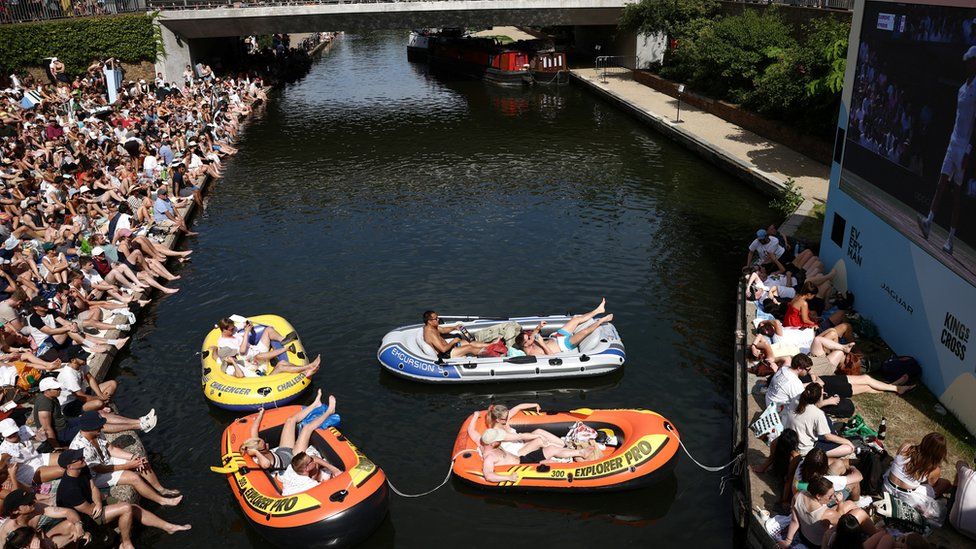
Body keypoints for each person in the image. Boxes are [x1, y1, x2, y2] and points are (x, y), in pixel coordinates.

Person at [56, 449, 191, 549]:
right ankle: (126, 543)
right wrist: (97, 504)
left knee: (133, 507)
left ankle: (169, 527)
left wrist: (98, 501)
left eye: (81, 456)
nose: (82, 458)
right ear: (70, 466)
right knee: (126, 508)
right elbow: (91, 512)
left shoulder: (82, 468)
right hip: (85, 518)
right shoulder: (70, 489)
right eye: (78, 458)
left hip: (93, 503)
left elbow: (93, 488)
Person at [917, 46, 976, 255]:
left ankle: (950, 240)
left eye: (970, 60)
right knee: (941, 184)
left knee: (957, 194)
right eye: (967, 61)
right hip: (952, 143)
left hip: (963, 148)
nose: (967, 64)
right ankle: (928, 222)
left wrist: (968, 151)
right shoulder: (961, 88)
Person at [68, 411, 181, 506]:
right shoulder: (81, 447)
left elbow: (111, 449)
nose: (102, 427)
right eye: (99, 425)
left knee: (140, 460)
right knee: (133, 478)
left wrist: (133, 457)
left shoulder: (96, 433)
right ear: (89, 428)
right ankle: (163, 501)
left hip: (105, 461)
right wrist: (128, 466)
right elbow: (100, 469)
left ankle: (161, 489)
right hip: (94, 476)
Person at [239, 390, 335, 472]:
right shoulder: (261, 459)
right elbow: (266, 464)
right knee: (307, 428)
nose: (266, 443)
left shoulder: (255, 443)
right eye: (264, 445)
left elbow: (254, 428)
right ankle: (329, 411)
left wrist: (260, 414)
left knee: (290, 420)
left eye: (262, 441)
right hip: (292, 459)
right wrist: (256, 453)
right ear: (259, 450)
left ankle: (315, 404)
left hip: (282, 451)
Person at [779, 477, 877, 548]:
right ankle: (876, 533)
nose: (832, 498)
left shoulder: (798, 496)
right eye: (829, 496)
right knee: (859, 513)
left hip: (804, 535)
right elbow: (844, 521)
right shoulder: (827, 514)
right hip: (819, 543)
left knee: (850, 504)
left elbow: (795, 521)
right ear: (818, 496)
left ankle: (869, 527)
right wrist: (840, 502)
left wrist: (788, 541)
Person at [213, 317, 319, 378]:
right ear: (224, 330)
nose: (233, 330)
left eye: (233, 329)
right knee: (277, 364)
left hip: (255, 352)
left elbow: (242, 324)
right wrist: (246, 333)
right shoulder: (224, 345)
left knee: (268, 330)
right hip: (253, 362)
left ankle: (284, 340)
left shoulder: (234, 331)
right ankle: (308, 367)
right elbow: (241, 351)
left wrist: (246, 324)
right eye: (231, 330)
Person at [883, 432, 953, 517]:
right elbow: (932, 485)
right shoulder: (934, 469)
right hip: (906, 499)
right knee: (945, 483)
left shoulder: (906, 446)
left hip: (886, 487)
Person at [517, 299, 612, 355]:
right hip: (565, 345)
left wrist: (539, 326)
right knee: (584, 332)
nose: (531, 337)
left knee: (575, 319)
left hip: (557, 336)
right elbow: (551, 356)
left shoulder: (530, 342)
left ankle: (598, 310)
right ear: (525, 344)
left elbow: (535, 332)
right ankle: (602, 320)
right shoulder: (533, 354)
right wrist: (542, 344)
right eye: (528, 338)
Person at [785, 384, 856, 458]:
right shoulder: (818, 414)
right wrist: (847, 441)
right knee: (848, 448)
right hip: (804, 449)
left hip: (789, 438)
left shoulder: (797, 398)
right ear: (818, 398)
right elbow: (828, 437)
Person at [467, 403, 566, 455]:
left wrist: (535, 404)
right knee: (538, 440)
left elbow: (518, 407)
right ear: (497, 419)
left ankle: (563, 445)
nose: (508, 418)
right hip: (518, 452)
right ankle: (564, 450)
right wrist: (474, 417)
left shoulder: (504, 420)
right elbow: (520, 435)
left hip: (521, 443)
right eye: (505, 417)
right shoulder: (496, 433)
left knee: (539, 431)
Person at [0, 489, 86, 547]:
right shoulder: (11, 531)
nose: (32, 502)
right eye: (27, 502)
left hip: (38, 541)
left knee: (72, 526)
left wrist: (79, 525)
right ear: (15, 511)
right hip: (34, 546)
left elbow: (68, 512)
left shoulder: (35, 508)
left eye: (31, 499)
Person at [0, 418, 63, 488]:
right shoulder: (5, 449)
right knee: (63, 469)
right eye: (9, 434)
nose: (12, 435)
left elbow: (39, 438)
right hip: (28, 473)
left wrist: (41, 434)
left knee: (68, 457)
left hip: (40, 458)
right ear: (3, 435)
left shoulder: (23, 432)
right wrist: (7, 479)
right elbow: (1, 465)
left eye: (14, 432)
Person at [793, 446, 863, 503]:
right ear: (824, 466)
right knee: (854, 483)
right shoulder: (826, 481)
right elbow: (859, 476)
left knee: (839, 464)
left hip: (804, 498)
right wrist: (853, 468)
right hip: (822, 504)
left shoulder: (801, 464)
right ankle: (855, 502)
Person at [421, 311, 489, 359]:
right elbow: (443, 349)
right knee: (469, 347)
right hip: (447, 354)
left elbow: (443, 330)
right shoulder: (430, 334)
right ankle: (491, 352)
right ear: (429, 321)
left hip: (449, 347)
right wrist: (454, 341)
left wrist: (455, 327)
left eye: (438, 317)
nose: (438, 320)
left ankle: (492, 345)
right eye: (436, 319)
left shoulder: (433, 327)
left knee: (470, 342)